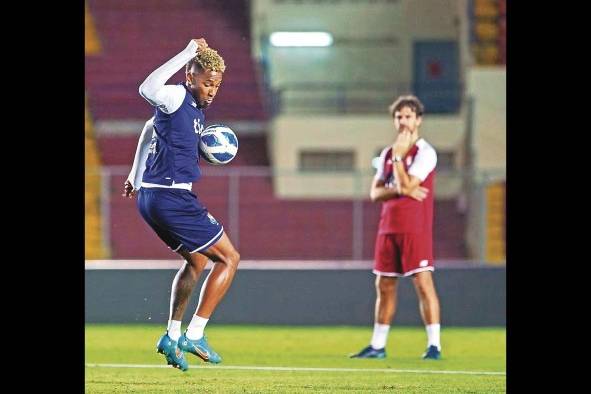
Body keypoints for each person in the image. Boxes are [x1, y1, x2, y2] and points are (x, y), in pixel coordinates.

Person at [122, 38, 241, 371]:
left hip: (154, 196)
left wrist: (135, 175)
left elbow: (148, 130)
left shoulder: (194, 110)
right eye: (206, 82)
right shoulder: (176, 96)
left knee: (198, 262)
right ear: (191, 76)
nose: (212, 90)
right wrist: (188, 52)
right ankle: (196, 334)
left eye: (216, 85)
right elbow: (148, 88)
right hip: (171, 196)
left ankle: (171, 337)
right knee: (230, 258)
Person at [350, 95, 442, 360]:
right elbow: (375, 193)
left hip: (415, 227)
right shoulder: (387, 153)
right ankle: (378, 346)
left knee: (423, 284)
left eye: (408, 116)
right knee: (384, 285)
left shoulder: (425, 152)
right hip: (388, 226)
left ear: (418, 120)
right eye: (399, 116)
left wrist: (401, 165)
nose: (403, 121)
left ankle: (434, 345)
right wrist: (400, 187)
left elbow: (407, 186)